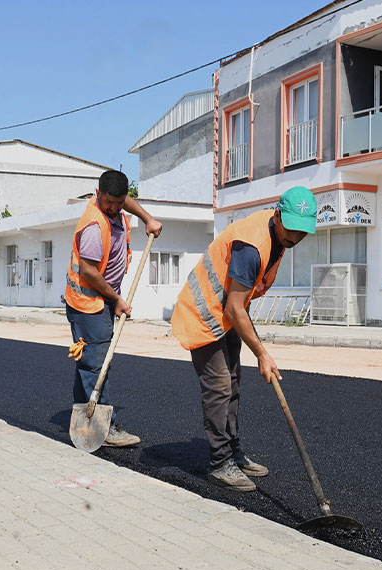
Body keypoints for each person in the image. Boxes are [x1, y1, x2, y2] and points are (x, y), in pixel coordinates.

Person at [171, 186, 317, 491]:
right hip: (203, 314)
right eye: (292, 229)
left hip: (228, 315)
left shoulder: (277, 239)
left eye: (302, 232)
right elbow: (234, 307)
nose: (295, 237)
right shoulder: (251, 245)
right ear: (278, 216)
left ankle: (233, 451)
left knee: (234, 382)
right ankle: (219, 462)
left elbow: (240, 301)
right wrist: (262, 353)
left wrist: (256, 345)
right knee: (220, 386)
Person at [65, 169, 162, 447]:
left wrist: (147, 218)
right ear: (98, 195)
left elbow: (125, 201)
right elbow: (89, 271)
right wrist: (117, 299)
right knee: (97, 364)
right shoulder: (94, 226)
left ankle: (85, 416)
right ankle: (104, 428)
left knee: (89, 362)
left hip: (101, 299)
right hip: (89, 302)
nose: (114, 208)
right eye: (109, 202)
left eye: (119, 203)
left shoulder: (116, 204)